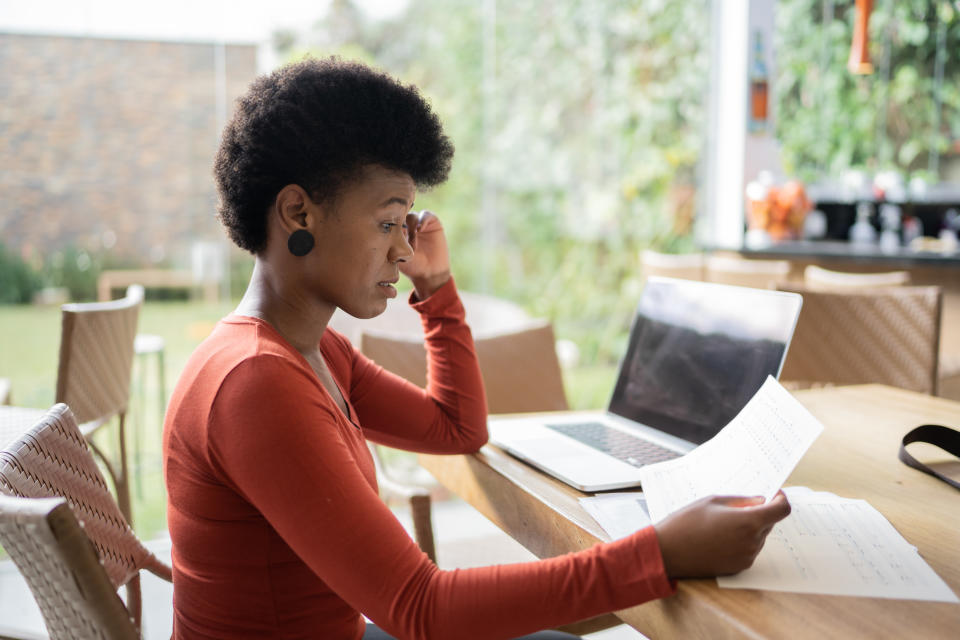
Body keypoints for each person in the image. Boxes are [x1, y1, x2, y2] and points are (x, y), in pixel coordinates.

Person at [162, 57, 791, 640]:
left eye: (405, 226)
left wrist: (436, 291)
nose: (404, 252)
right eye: (387, 224)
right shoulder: (255, 384)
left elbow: (456, 429)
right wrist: (660, 552)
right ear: (299, 213)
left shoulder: (310, 351)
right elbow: (422, 608)